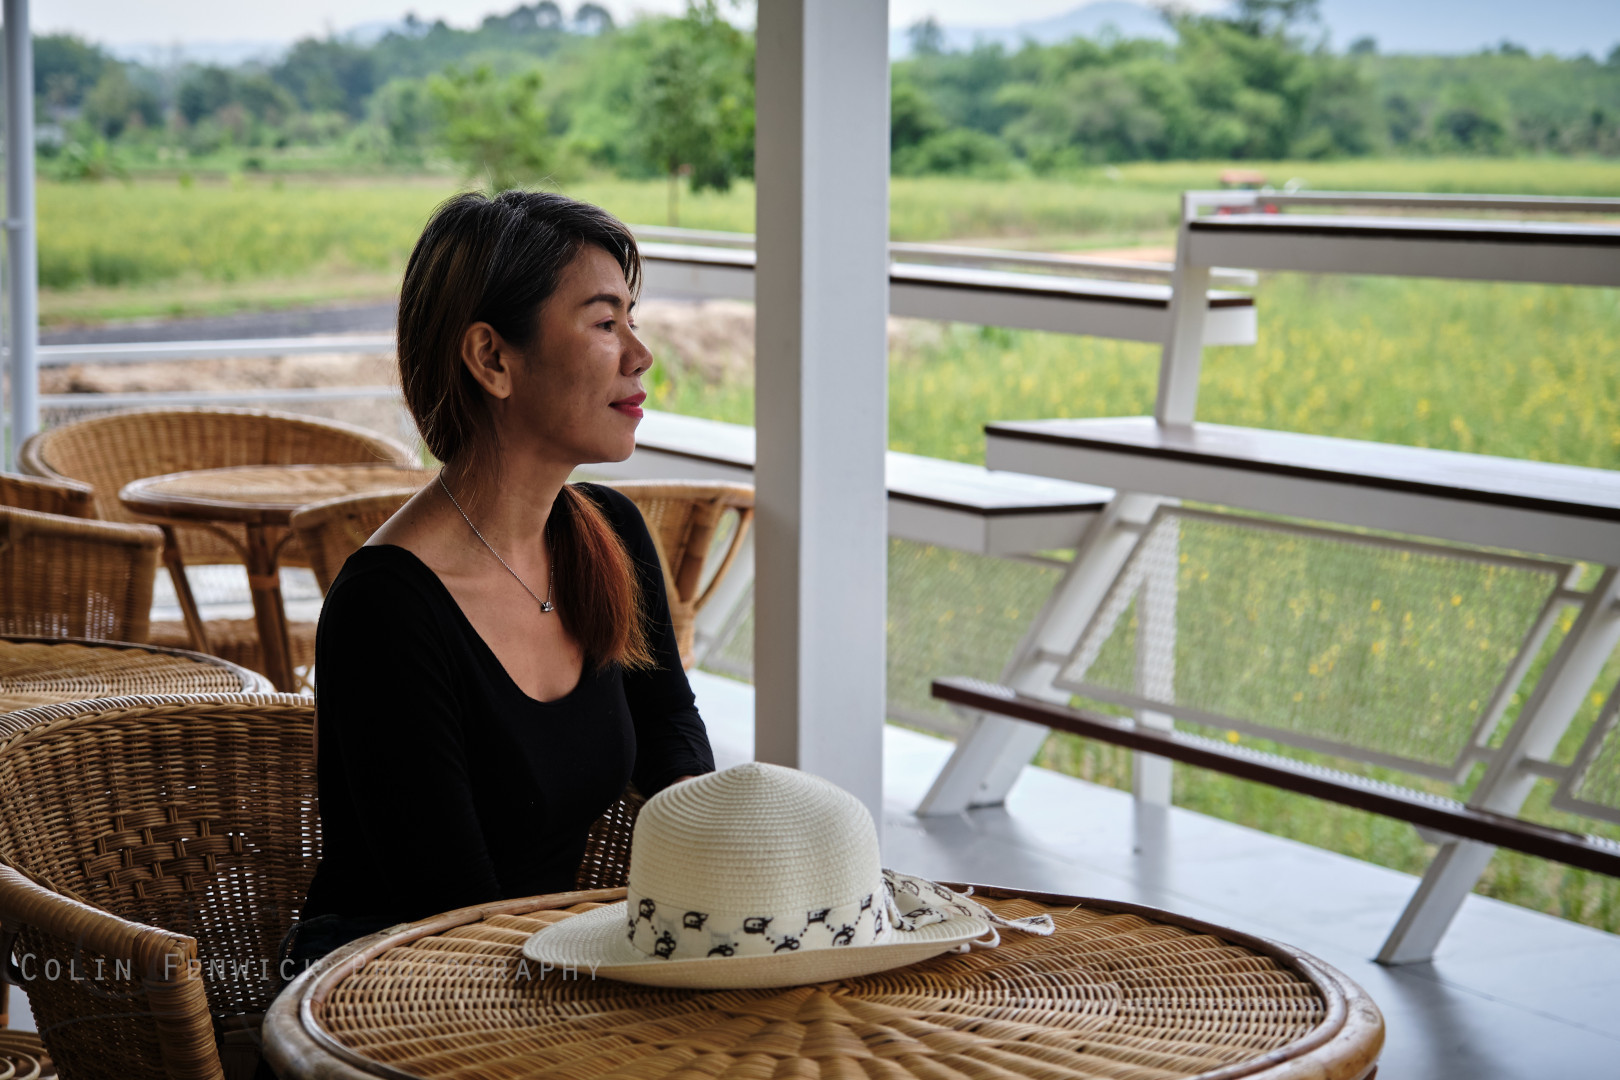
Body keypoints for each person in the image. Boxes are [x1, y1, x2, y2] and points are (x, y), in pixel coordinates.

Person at [287, 190, 715, 969]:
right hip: (392, 995)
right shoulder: (388, 608)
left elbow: (668, 728)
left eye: (633, 319)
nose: (639, 355)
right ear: (492, 359)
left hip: (539, 965)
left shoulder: (608, 533)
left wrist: (722, 852)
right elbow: (450, 907)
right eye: (604, 322)